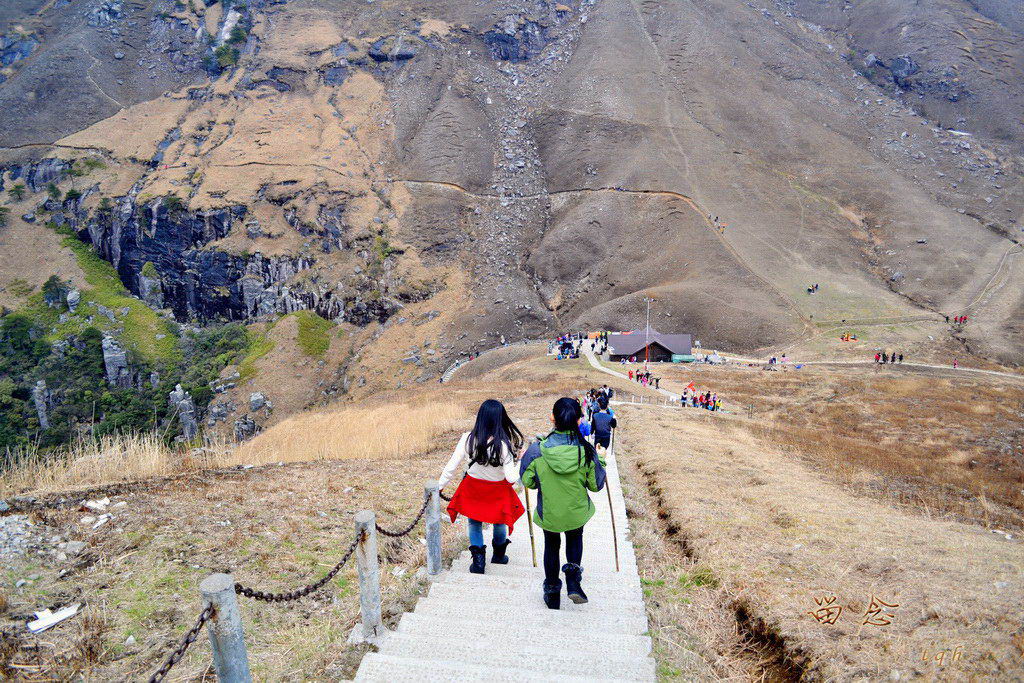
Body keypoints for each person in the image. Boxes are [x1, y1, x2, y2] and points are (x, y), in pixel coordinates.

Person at [521, 398, 606, 609]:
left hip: (549, 512)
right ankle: (573, 580)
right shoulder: (586, 451)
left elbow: (527, 481)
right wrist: (601, 460)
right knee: (575, 538)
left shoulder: (536, 451)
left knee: (551, 545)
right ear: (579, 421)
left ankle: (552, 591)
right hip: (576, 511)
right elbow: (596, 485)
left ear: (552, 417)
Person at [441, 400, 526, 574]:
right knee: (500, 521)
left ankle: (479, 562)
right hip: (498, 489)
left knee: (474, 522)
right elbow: (511, 478)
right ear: (500, 419)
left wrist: (440, 486)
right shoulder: (503, 445)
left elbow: (452, 465)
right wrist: (522, 462)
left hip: (473, 487)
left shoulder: (467, 438)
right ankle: (499, 555)